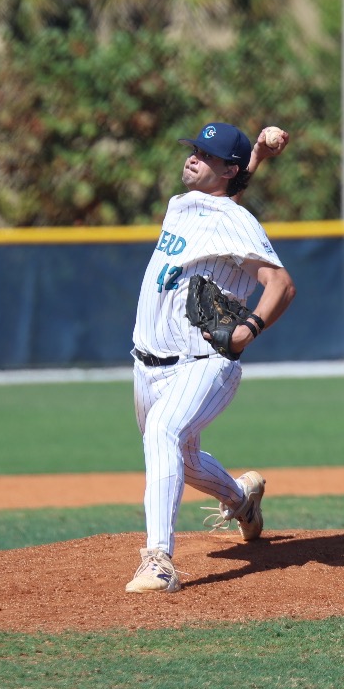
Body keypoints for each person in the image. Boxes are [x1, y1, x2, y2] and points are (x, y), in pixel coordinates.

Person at [125, 120, 296, 594]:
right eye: (194, 149)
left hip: (204, 361)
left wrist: (248, 330)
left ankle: (158, 561)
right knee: (185, 458)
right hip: (148, 363)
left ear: (227, 169)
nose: (193, 157)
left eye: (206, 154)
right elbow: (224, 203)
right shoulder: (184, 205)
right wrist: (257, 155)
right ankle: (242, 498)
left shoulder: (238, 223)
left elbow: (281, 285)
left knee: (163, 432)